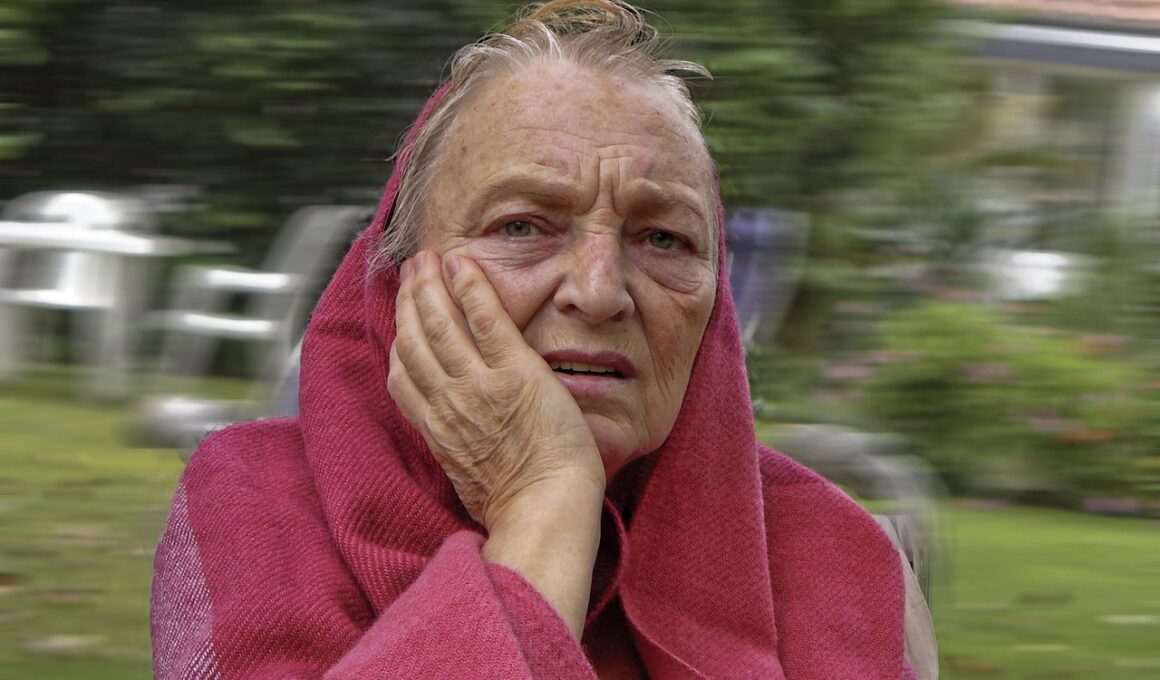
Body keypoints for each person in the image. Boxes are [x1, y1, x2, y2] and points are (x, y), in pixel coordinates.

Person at [151, 1, 937, 678]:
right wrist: (544, 507)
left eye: (664, 239)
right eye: (522, 226)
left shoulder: (844, 565)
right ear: (396, 282)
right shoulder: (254, 506)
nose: (599, 292)